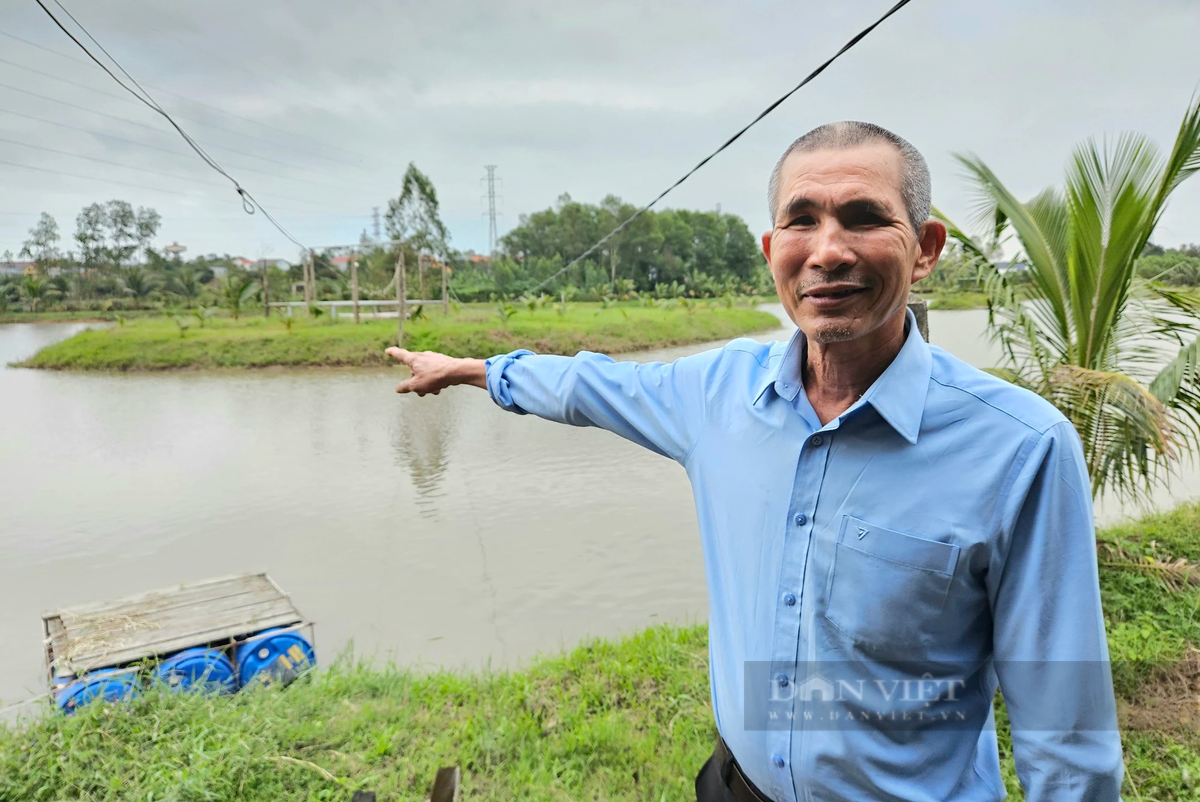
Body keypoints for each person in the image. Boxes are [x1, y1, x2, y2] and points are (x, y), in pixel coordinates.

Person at [385, 121, 1123, 802]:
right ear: (773, 252)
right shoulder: (716, 394)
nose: (828, 249)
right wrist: (474, 370)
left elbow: (1065, 733)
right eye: (801, 220)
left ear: (925, 248)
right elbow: (590, 384)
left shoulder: (1020, 447)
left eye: (864, 217)